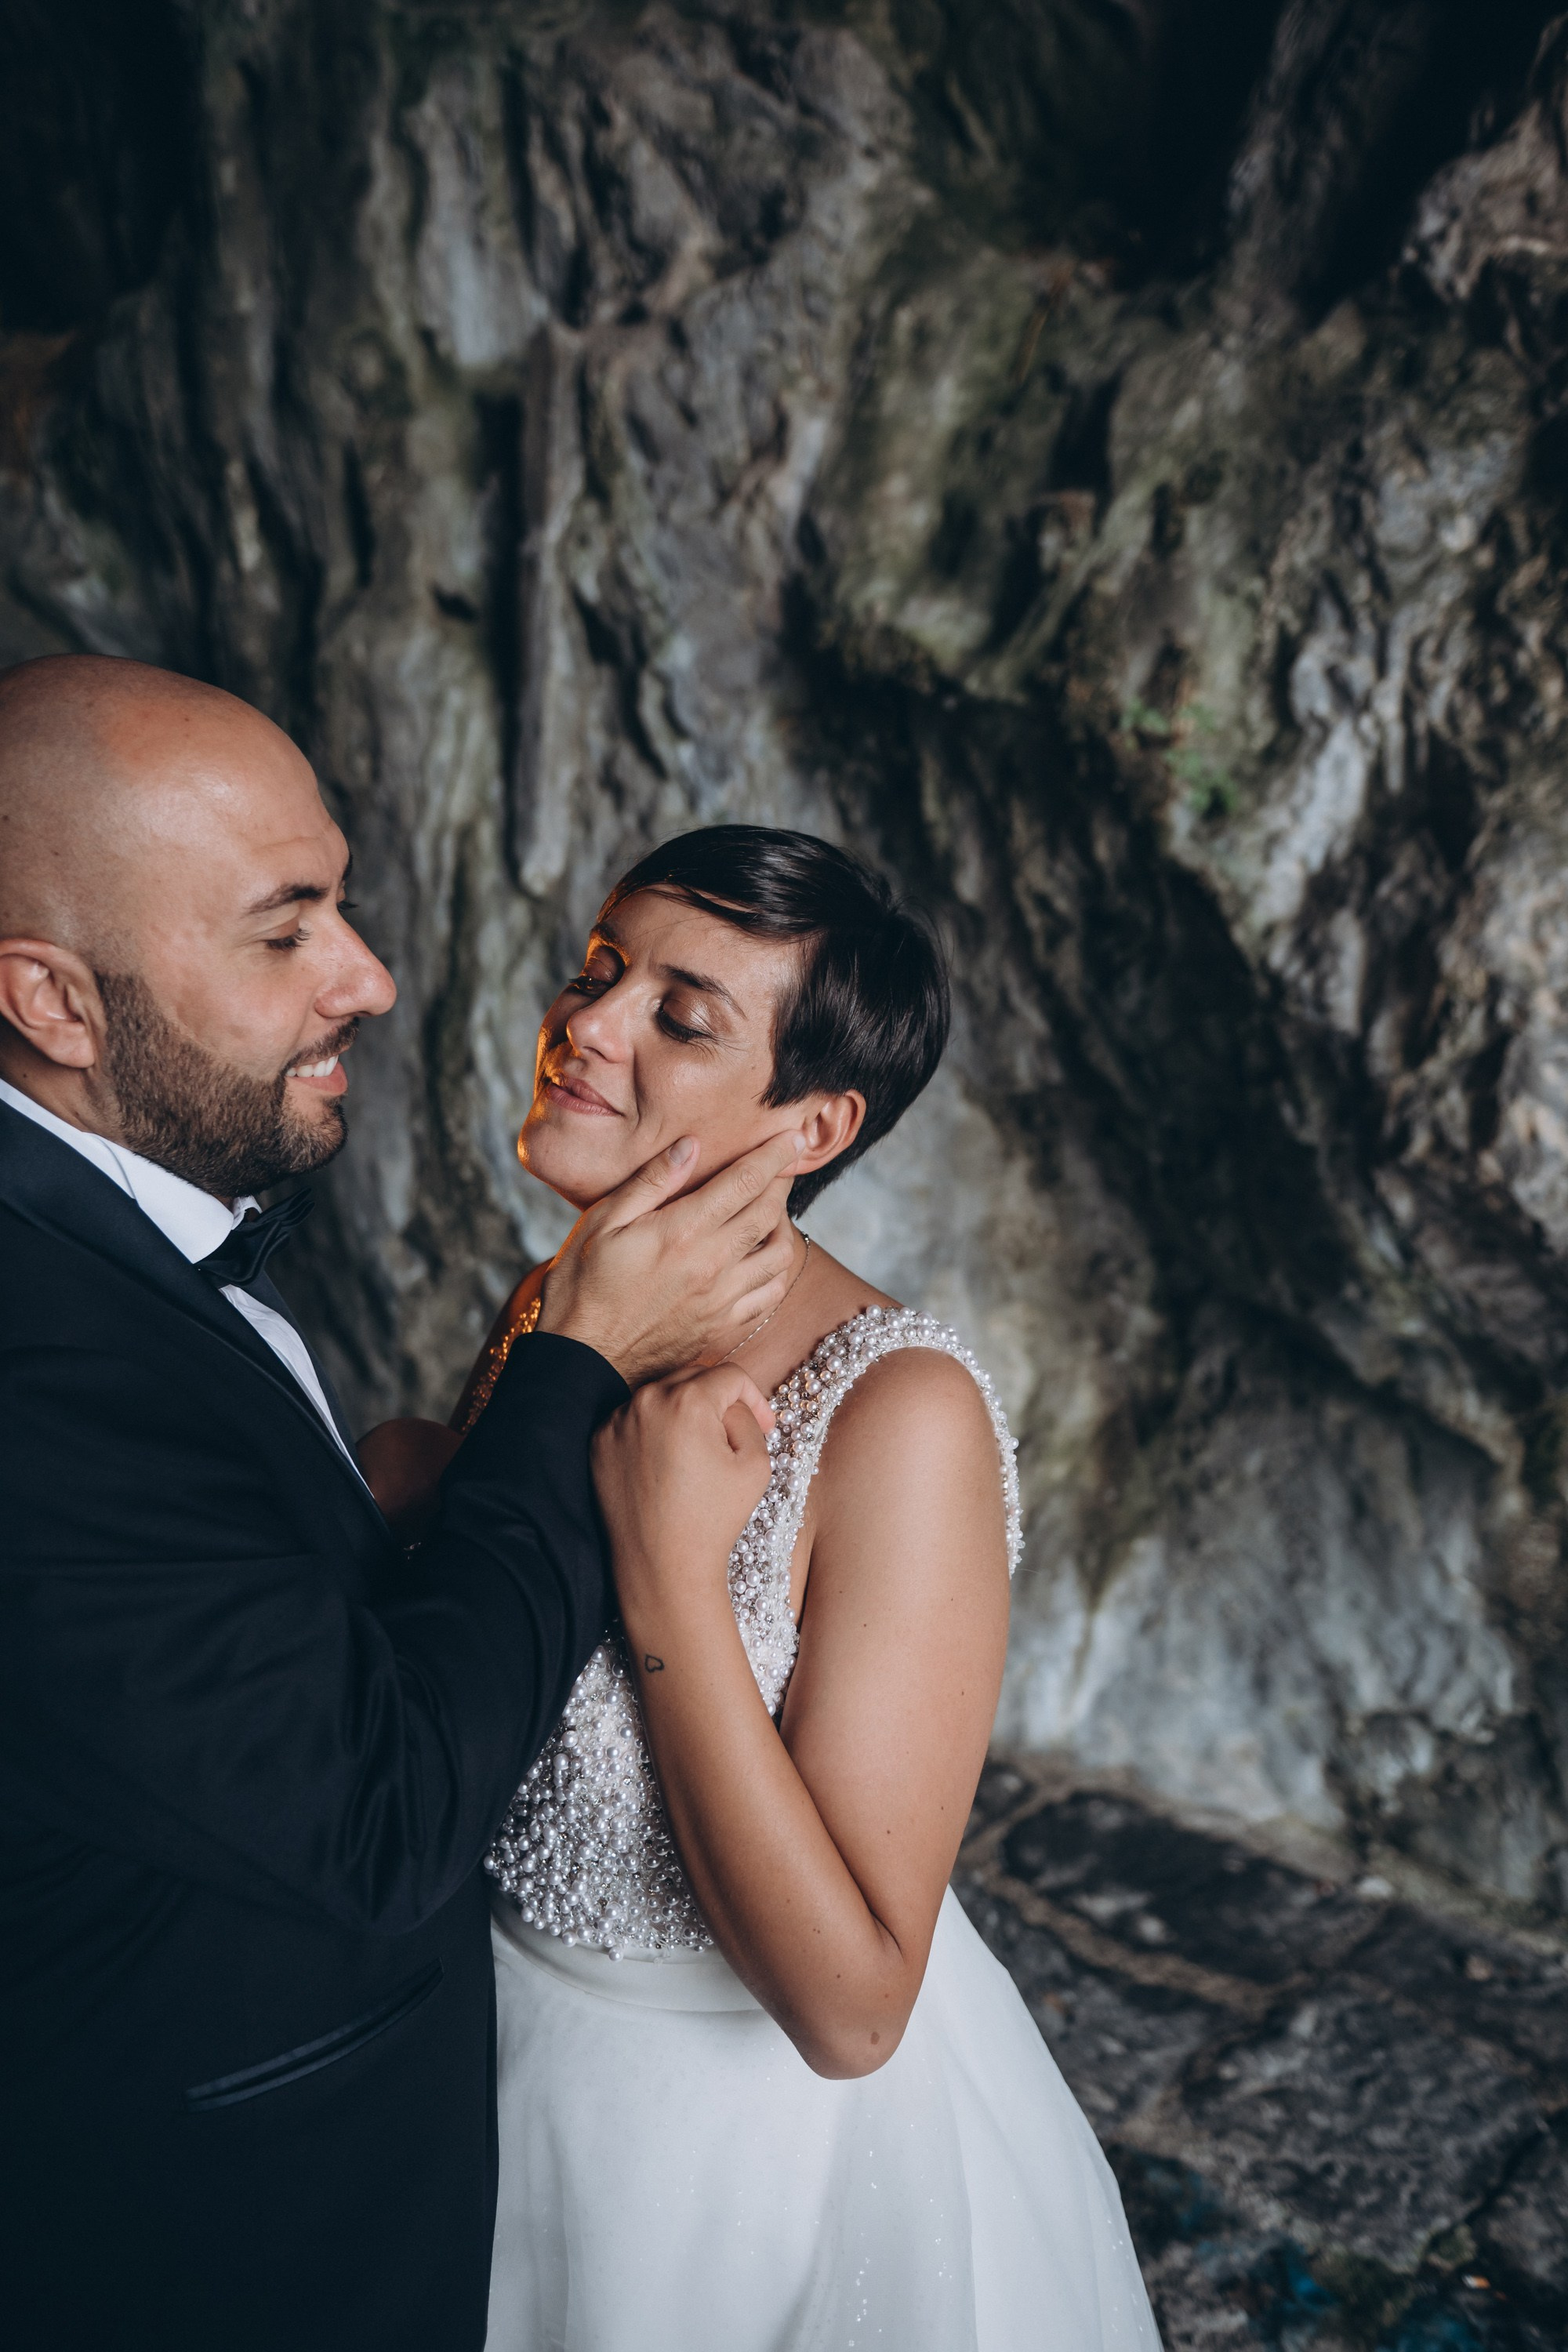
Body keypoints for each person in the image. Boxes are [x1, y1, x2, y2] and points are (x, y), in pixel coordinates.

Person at [0, 655, 805, 2352]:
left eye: (343, 904)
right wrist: (570, 1368)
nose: (366, 977)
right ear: (54, 1005)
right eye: (285, 929)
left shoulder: (897, 1392)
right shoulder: (37, 1358)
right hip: (214, 2239)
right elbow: (375, 1815)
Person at [368, 826, 1160, 2350]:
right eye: (603, 970)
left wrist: (668, 1578)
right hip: (480, 2075)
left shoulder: (897, 1413)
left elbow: (855, 2011)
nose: (583, 1025)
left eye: (681, 1015)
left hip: (736, 2170)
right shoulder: (559, 1301)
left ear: (810, 1126)